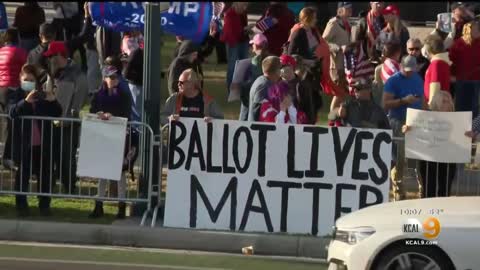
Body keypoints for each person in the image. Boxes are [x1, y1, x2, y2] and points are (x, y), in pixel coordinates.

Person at [9, 64, 62, 217]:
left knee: (45, 175)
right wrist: (26, 101)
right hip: (24, 143)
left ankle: (44, 205)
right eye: (26, 80)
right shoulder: (16, 94)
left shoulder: (41, 95)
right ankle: (21, 205)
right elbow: (12, 112)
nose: (28, 82)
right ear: (20, 79)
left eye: (31, 80)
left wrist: (52, 100)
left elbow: (57, 113)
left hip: (42, 143)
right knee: (22, 175)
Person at [88, 66, 133, 219]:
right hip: (102, 137)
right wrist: (99, 114)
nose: (114, 80)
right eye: (111, 77)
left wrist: (112, 116)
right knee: (102, 172)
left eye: (116, 77)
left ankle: (121, 206)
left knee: (120, 173)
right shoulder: (98, 95)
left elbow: (126, 113)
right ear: (104, 78)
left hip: (119, 136)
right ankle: (99, 205)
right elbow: (92, 111)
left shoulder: (124, 95)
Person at [43, 41, 88, 194]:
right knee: (52, 155)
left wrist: (70, 115)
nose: (50, 59)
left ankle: (69, 187)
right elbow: (47, 94)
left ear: (60, 55)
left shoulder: (77, 74)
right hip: (51, 122)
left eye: (52, 56)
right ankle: (51, 185)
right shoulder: (52, 73)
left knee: (67, 156)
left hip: (68, 123)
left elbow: (80, 98)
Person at [287, 7, 345, 115]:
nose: (316, 20)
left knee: (316, 103)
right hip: (303, 73)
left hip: (314, 72)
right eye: (313, 18)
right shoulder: (298, 32)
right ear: (306, 18)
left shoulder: (314, 31)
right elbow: (291, 55)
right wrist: (306, 61)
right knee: (307, 103)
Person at [383, 55, 426, 199]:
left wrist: (427, 114)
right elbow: (386, 104)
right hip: (398, 121)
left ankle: (423, 188)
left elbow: (423, 100)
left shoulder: (418, 79)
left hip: (416, 122)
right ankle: (399, 191)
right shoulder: (392, 81)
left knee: (418, 157)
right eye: (406, 70)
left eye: (411, 70)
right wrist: (403, 101)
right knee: (399, 158)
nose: (409, 73)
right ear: (401, 66)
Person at [402, 91, 457, 198]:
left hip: (449, 160)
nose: (448, 104)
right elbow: (415, 129)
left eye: (449, 101)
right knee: (428, 189)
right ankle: (428, 212)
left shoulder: (458, 120)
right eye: (444, 101)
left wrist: (468, 135)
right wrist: (408, 129)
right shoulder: (425, 117)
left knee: (445, 190)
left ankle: (443, 212)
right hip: (428, 160)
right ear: (437, 103)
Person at [235, 33, 271, 121]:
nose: (252, 46)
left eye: (253, 44)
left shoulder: (254, 61)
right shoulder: (270, 58)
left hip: (251, 92)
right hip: (266, 94)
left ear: (256, 46)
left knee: (245, 116)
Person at [449, 18, 480, 119]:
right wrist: (451, 75)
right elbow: (451, 61)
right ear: (468, 30)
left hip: (476, 80)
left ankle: (472, 130)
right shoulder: (457, 44)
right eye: (476, 29)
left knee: (474, 107)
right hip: (461, 80)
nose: (478, 31)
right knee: (461, 106)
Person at [280, 54, 320, 125]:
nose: (280, 69)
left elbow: (309, 110)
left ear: (291, 66)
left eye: (282, 66)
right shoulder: (276, 84)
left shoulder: (301, 85)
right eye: (278, 67)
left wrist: (308, 127)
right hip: (281, 124)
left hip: (298, 126)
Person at [322, 2, 352, 94]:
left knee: (344, 94)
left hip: (347, 63)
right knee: (339, 93)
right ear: (340, 10)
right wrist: (339, 48)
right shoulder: (333, 23)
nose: (350, 10)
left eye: (350, 7)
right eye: (347, 8)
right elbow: (323, 42)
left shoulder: (348, 22)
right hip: (337, 65)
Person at [221, 2, 249, 93]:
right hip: (233, 42)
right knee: (232, 66)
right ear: (236, 4)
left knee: (244, 65)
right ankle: (231, 90)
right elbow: (231, 32)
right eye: (243, 5)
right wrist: (245, 29)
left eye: (246, 5)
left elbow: (243, 27)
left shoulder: (243, 13)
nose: (245, 7)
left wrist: (247, 30)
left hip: (243, 41)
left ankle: (241, 89)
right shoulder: (229, 14)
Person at [247, 56, 282, 122]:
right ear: (276, 71)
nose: (281, 71)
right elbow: (257, 109)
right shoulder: (263, 85)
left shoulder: (268, 81)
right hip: (259, 129)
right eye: (280, 68)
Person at [344, 25, 375, 96]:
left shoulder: (352, 48)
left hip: (356, 82)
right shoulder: (353, 50)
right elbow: (350, 70)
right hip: (360, 83)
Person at [422, 34, 451, 104]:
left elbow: (435, 85)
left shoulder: (436, 64)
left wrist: (431, 105)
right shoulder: (442, 62)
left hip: (436, 105)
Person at [123, 48, 144, 122]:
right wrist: (135, 78)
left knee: (140, 109)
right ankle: (136, 130)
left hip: (141, 85)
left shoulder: (140, 53)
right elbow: (127, 71)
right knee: (136, 110)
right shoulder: (137, 53)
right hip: (136, 85)